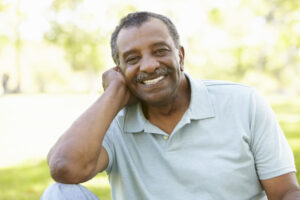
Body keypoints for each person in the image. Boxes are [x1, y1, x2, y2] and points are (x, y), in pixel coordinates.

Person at [42, 11, 300, 200]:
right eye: (133, 59)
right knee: (60, 194)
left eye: (160, 50)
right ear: (119, 71)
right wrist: (114, 93)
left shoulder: (243, 103)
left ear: (180, 56)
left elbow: (285, 191)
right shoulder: (113, 120)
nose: (149, 65)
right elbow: (65, 169)